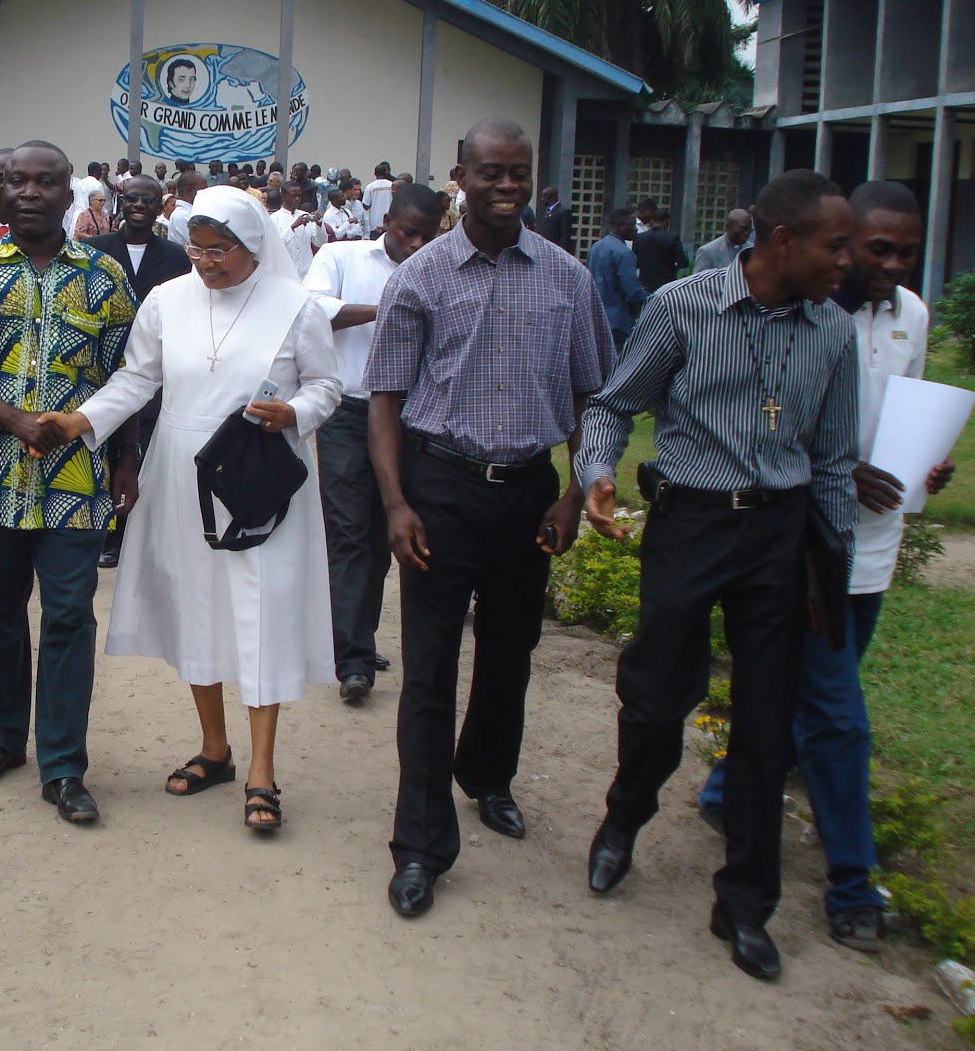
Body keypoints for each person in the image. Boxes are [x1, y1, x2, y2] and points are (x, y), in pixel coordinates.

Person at [576, 169, 860, 982]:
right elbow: (611, 404)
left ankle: (745, 902)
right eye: (833, 245)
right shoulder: (684, 307)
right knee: (659, 702)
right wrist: (596, 471)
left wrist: (826, 567)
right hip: (692, 523)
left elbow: (835, 460)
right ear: (783, 243)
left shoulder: (832, 333)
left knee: (767, 727)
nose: (844, 261)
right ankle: (625, 817)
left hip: (781, 533)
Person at [695, 180, 953, 954]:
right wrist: (834, 472)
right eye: (871, 248)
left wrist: (924, 464)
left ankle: (722, 789)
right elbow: (763, 430)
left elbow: (900, 409)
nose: (887, 264)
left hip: (874, 544)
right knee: (840, 718)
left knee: (799, 702)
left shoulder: (911, 317)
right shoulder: (807, 312)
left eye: (905, 252)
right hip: (803, 547)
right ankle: (851, 885)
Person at [365, 117, 613, 919]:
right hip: (442, 489)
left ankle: (490, 777)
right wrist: (397, 503)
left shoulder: (569, 278)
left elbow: (589, 396)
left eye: (519, 173)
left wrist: (576, 492)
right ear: (459, 177)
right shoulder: (422, 277)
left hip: (530, 492)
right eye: (491, 172)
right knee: (430, 671)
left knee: (512, 652)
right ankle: (420, 844)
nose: (506, 186)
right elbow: (386, 402)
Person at [38, 185, 340, 832]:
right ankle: (215, 750)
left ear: (252, 245)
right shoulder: (167, 300)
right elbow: (137, 380)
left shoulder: (295, 307)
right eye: (196, 249)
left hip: (259, 475)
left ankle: (263, 771)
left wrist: (295, 413)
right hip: (181, 469)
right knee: (197, 608)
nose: (204, 262)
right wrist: (79, 422)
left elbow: (326, 386)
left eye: (218, 251)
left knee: (260, 613)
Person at [0, 140, 139, 825]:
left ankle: (64, 766)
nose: (32, 192)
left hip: (74, 482)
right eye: (17, 181)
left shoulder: (104, 279)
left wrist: (127, 460)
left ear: (72, 195)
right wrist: (13, 418)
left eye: (47, 182)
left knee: (69, 618)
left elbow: (127, 379)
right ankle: (2, 740)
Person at [304, 184, 446, 702]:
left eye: (428, 236)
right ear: (387, 220)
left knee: (390, 528)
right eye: (409, 232)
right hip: (348, 410)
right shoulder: (341, 255)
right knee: (348, 533)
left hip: (410, 415)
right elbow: (312, 309)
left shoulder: (437, 269)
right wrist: (385, 309)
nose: (416, 244)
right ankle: (353, 659)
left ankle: (356, 637)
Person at [82, 173, 189, 569]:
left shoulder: (178, 256)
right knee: (104, 443)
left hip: (155, 366)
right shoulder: (94, 250)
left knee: (140, 449)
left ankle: (128, 534)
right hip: (101, 364)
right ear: (120, 204)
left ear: (162, 205)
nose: (139, 206)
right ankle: (105, 533)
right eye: (132, 200)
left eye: (148, 200)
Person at [587, 208, 649, 352]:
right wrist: (652, 299)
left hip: (595, 316)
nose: (635, 229)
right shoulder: (624, 253)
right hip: (616, 320)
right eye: (631, 225)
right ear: (619, 225)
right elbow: (632, 291)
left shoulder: (596, 247)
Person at [270, 181, 324, 279]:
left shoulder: (305, 215)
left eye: (299, 196)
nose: (297, 199)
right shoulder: (273, 219)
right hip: (286, 276)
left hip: (308, 274)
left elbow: (320, 242)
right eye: (293, 196)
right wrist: (292, 227)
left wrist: (319, 224)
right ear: (283, 196)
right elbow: (274, 246)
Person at [633, 207, 688, 291]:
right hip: (666, 286)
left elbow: (635, 262)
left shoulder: (639, 238)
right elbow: (683, 262)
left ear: (652, 221)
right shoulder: (672, 238)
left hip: (645, 285)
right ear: (667, 222)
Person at [695, 209, 753, 273]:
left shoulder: (752, 250)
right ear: (728, 226)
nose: (747, 233)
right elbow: (699, 281)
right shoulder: (707, 252)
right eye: (743, 229)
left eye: (749, 229)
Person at [534, 186, 574, 252]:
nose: (542, 199)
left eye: (544, 197)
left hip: (555, 249)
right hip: (546, 248)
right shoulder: (548, 211)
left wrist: (561, 250)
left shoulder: (563, 211)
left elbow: (565, 235)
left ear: (550, 198)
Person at [363, 162, 395, 234]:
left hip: (375, 223)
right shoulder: (392, 185)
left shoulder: (370, 187)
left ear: (375, 173)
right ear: (385, 173)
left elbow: (366, 206)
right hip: (389, 222)